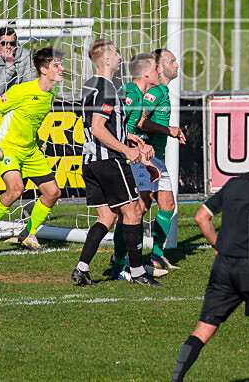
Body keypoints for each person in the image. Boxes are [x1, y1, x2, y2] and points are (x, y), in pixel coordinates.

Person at [171, 136, 249, 382]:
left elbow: (201, 217)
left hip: (223, 266)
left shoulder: (232, 184)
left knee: (204, 328)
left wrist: (218, 246)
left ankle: (176, 379)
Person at [71, 39, 160, 287]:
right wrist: (125, 150)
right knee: (133, 212)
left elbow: (98, 125)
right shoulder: (107, 88)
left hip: (90, 161)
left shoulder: (91, 87)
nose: (121, 56)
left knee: (107, 217)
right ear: (107, 60)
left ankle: (82, 268)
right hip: (109, 161)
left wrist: (128, 138)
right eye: (117, 52)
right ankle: (138, 271)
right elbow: (98, 128)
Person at [0, 47, 64, 250]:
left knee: (52, 192)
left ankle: (28, 233)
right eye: (56, 65)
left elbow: (30, 119)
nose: (62, 69)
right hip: (8, 147)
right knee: (15, 189)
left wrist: (37, 139)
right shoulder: (21, 90)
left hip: (30, 149)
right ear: (43, 70)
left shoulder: (52, 93)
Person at [121, 48, 186, 272]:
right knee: (140, 207)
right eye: (171, 60)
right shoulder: (154, 92)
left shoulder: (162, 91)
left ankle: (157, 256)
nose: (176, 65)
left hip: (157, 156)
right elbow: (139, 122)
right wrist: (170, 130)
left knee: (167, 205)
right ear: (157, 67)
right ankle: (123, 256)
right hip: (144, 156)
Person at [111, 52, 169, 279]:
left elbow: (127, 128)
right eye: (156, 68)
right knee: (129, 210)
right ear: (146, 73)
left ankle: (123, 262)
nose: (159, 71)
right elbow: (112, 127)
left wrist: (138, 141)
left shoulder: (137, 94)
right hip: (122, 157)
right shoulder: (130, 94)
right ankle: (121, 262)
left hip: (133, 154)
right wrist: (135, 145)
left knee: (140, 206)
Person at [0, 27, 36, 102]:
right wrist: (10, 64)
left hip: (18, 101)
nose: (8, 47)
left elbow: (30, 85)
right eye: (4, 43)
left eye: (12, 43)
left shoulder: (26, 55)